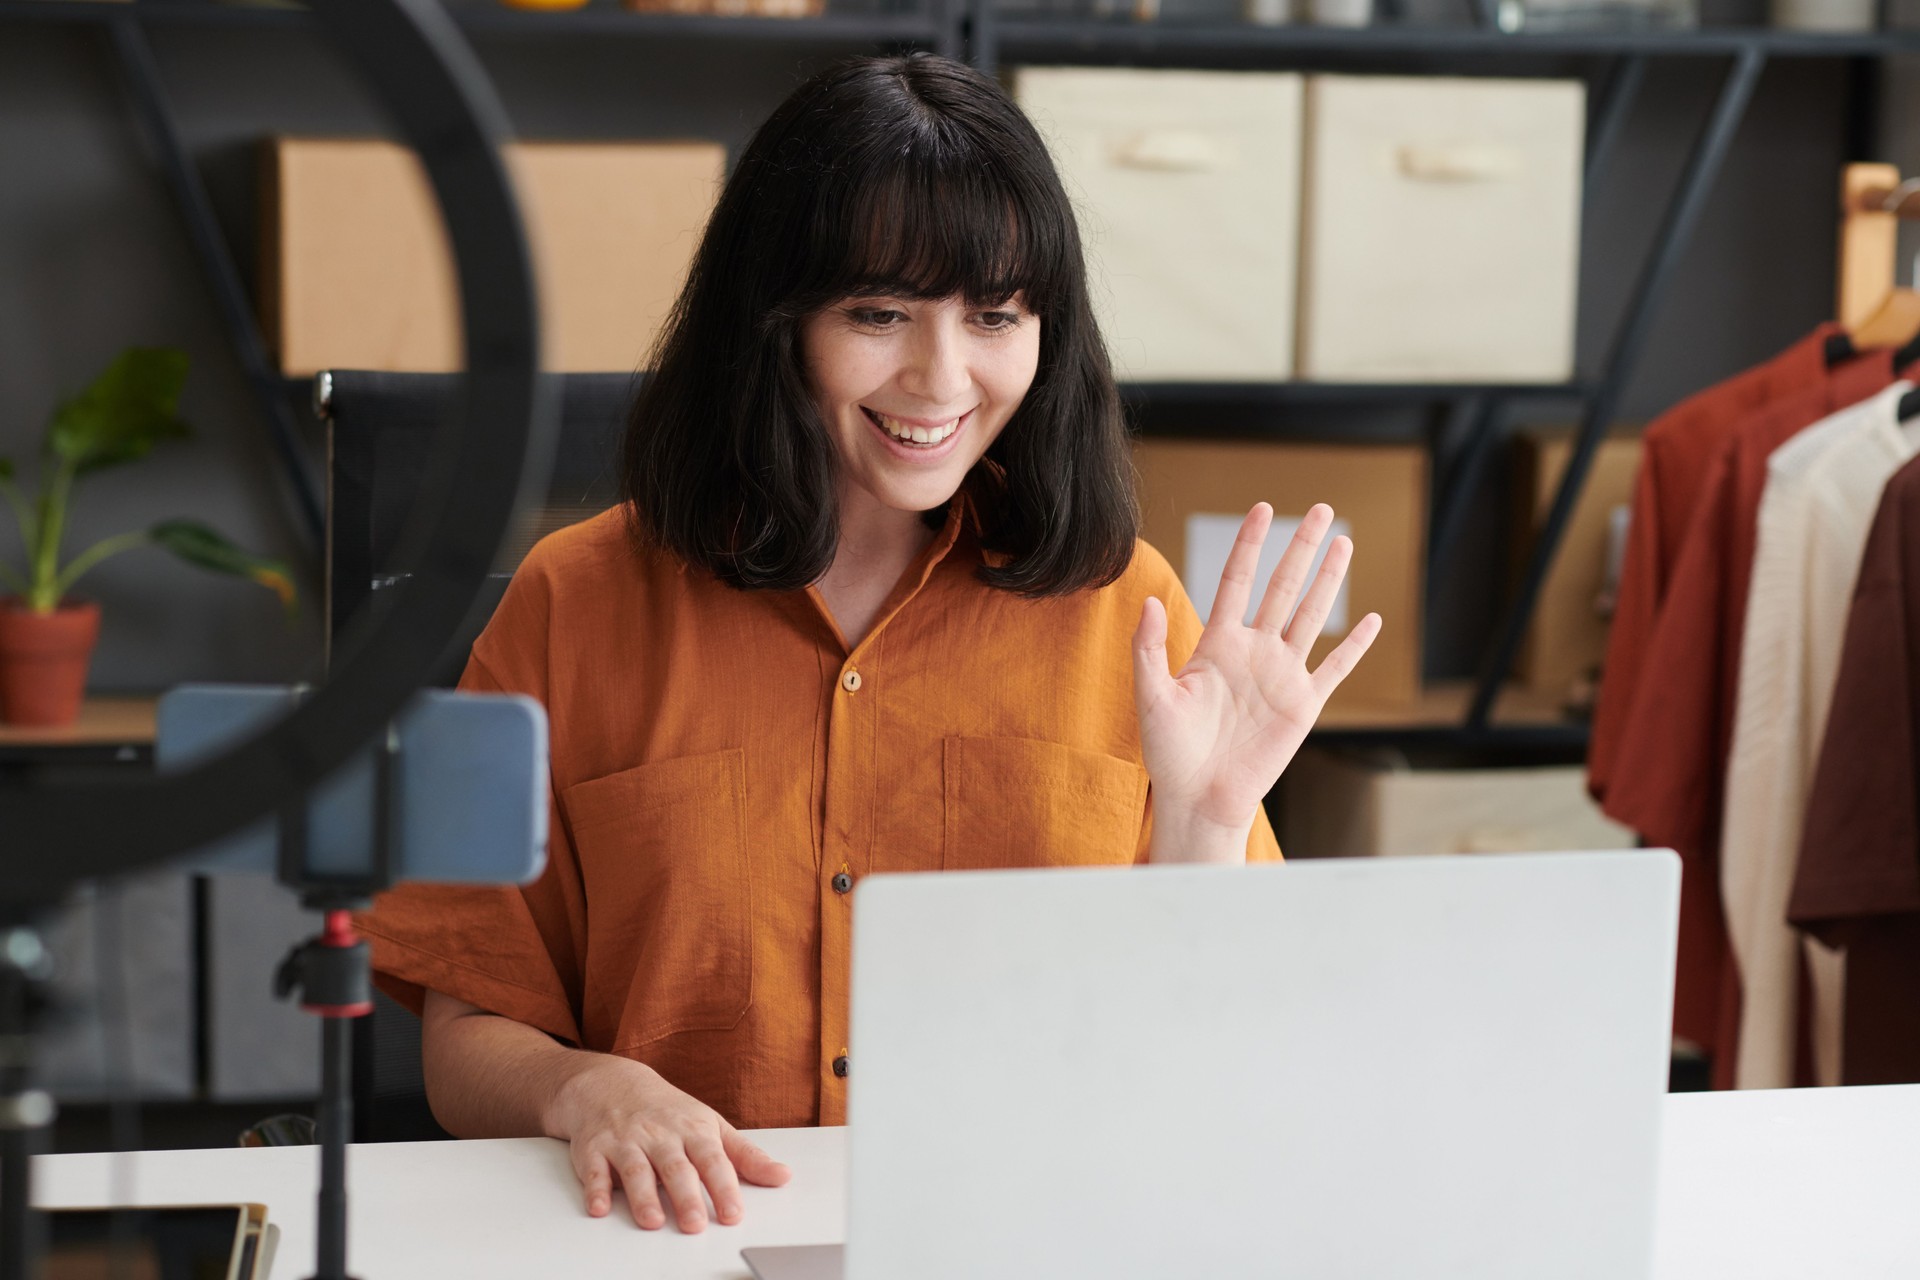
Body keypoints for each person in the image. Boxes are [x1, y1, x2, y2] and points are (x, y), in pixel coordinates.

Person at [358, 52, 1380, 1237]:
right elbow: (466, 1031)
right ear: (775, 323)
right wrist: (585, 1086)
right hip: (679, 1245)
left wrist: (1205, 825)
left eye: (995, 315)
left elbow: (1221, 1056)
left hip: (1036, 1234)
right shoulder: (575, 601)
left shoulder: (1129, 611)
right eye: (879, 312)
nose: (941, 378)